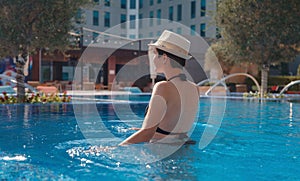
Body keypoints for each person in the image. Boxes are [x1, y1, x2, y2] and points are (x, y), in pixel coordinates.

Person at [119, 30, 200, 146]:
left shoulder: (163, 87)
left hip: (161, 151)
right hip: (185, 148)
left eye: (156, 54)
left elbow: (147, 133)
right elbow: (174, 129)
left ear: (165, 58)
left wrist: (114, 148)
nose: (153, 59)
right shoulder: (195, 88)